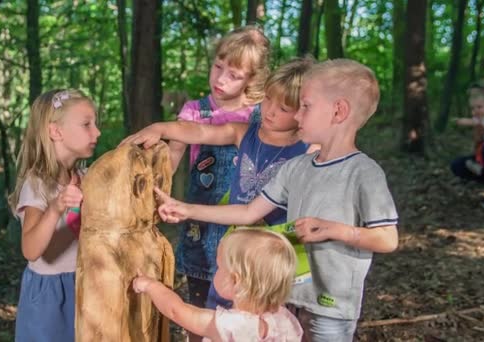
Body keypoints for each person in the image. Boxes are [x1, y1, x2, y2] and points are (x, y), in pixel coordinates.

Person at [154, 59, 399, 341]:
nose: (296, 116)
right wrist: (186, 209)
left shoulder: (364, 173)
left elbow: (387, 238)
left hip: (331, 305)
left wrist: (337, 230)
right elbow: (248, 212)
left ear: (338, 111)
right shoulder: (295, 168)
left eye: (305, 107)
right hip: (285, 295)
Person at [122, 57, 318, 310]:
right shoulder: (245, 132)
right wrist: (161, 128)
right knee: (220, 308)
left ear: (303, 111)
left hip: (276, 254)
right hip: (237, 244)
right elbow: (200, 132)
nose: (270, 111)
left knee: (267, 317)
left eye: (284, 108)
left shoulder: (308, 148)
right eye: (268, 99)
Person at [166, 25, 271, 338]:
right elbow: (170, 160)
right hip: (200, 224)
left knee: (243, 309)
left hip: (245, 229)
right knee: (200, 308)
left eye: (234, 74)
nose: (221, 79)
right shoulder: (194, 112)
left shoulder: (260, 116)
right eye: (218, 67)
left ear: (252, 80)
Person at [8, 89, 101, 341]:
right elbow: (30, 249)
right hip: (49, 296)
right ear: (55, 131)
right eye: (86, 124)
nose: (97, 132)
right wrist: (56, 207)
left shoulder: (86, 178)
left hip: (84, 285)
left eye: (95, 124)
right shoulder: (37, 184)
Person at [132, 228, 303, 342]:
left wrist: (151, 286)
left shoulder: (233, 325)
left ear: (235, 281)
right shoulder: (284, 319)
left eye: (219, 268)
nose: (216, 271)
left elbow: (176, 311)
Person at [451, 80, 484, 185]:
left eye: (479, 107)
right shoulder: (480, 119)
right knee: (457, 164)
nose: (476, 110)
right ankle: (481, 172)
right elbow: (478, 144)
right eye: (473, 108)